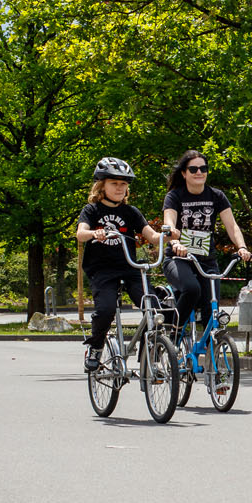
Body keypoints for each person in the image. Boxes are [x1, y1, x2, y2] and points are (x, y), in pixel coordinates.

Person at [75, 157, 166, 371]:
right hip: (102, 270)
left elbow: (152, 236)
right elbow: (81, 234)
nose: (119, 188)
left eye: (123, 184)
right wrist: (94, 233)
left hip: (130, 267)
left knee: (153, 308)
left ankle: (151, 354)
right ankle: (96, 347)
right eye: (114, 183)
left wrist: (167, 236)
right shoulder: (92, 210)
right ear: (102, 186)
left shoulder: (130, 212)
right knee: (106, 310)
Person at [162, 150, 252, 336]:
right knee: (191, 289)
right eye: (193, 169)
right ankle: (176, 331)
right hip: (179, 259)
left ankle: (210, 346)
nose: (199, 172)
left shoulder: (216, 196)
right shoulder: (175, 196)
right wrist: (176, 242)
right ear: (184, 173)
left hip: (206, 260)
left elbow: (232, 226)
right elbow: (169, 223)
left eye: (203, 168)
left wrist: (242, 247)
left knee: (211, 306)